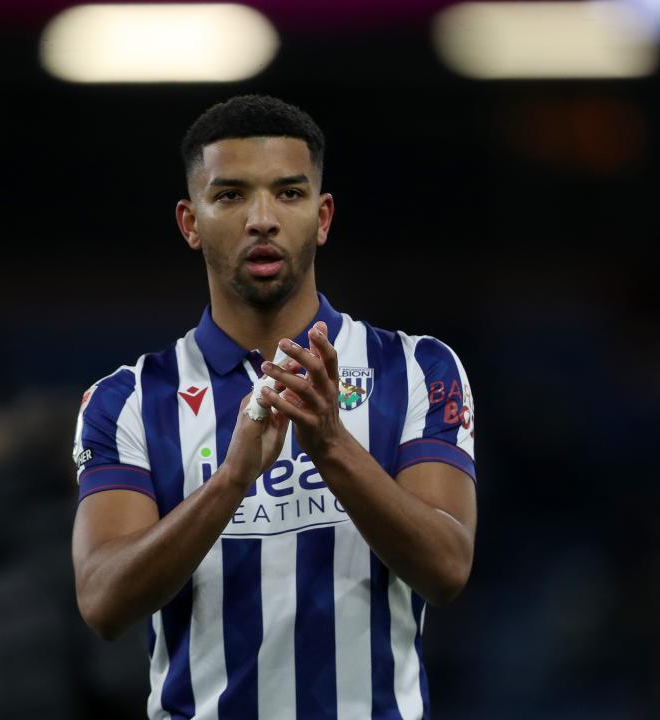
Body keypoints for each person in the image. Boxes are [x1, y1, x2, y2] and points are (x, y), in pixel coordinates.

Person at [72, 95, 478, 720]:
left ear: (322, 217)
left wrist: (334, 448)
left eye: (288, 194)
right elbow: (102, 602)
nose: (262, 218)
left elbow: (448, 567)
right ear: (190, 221)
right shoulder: (127, 399)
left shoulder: (418, 368)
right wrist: (230, 482)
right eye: (231, 195)